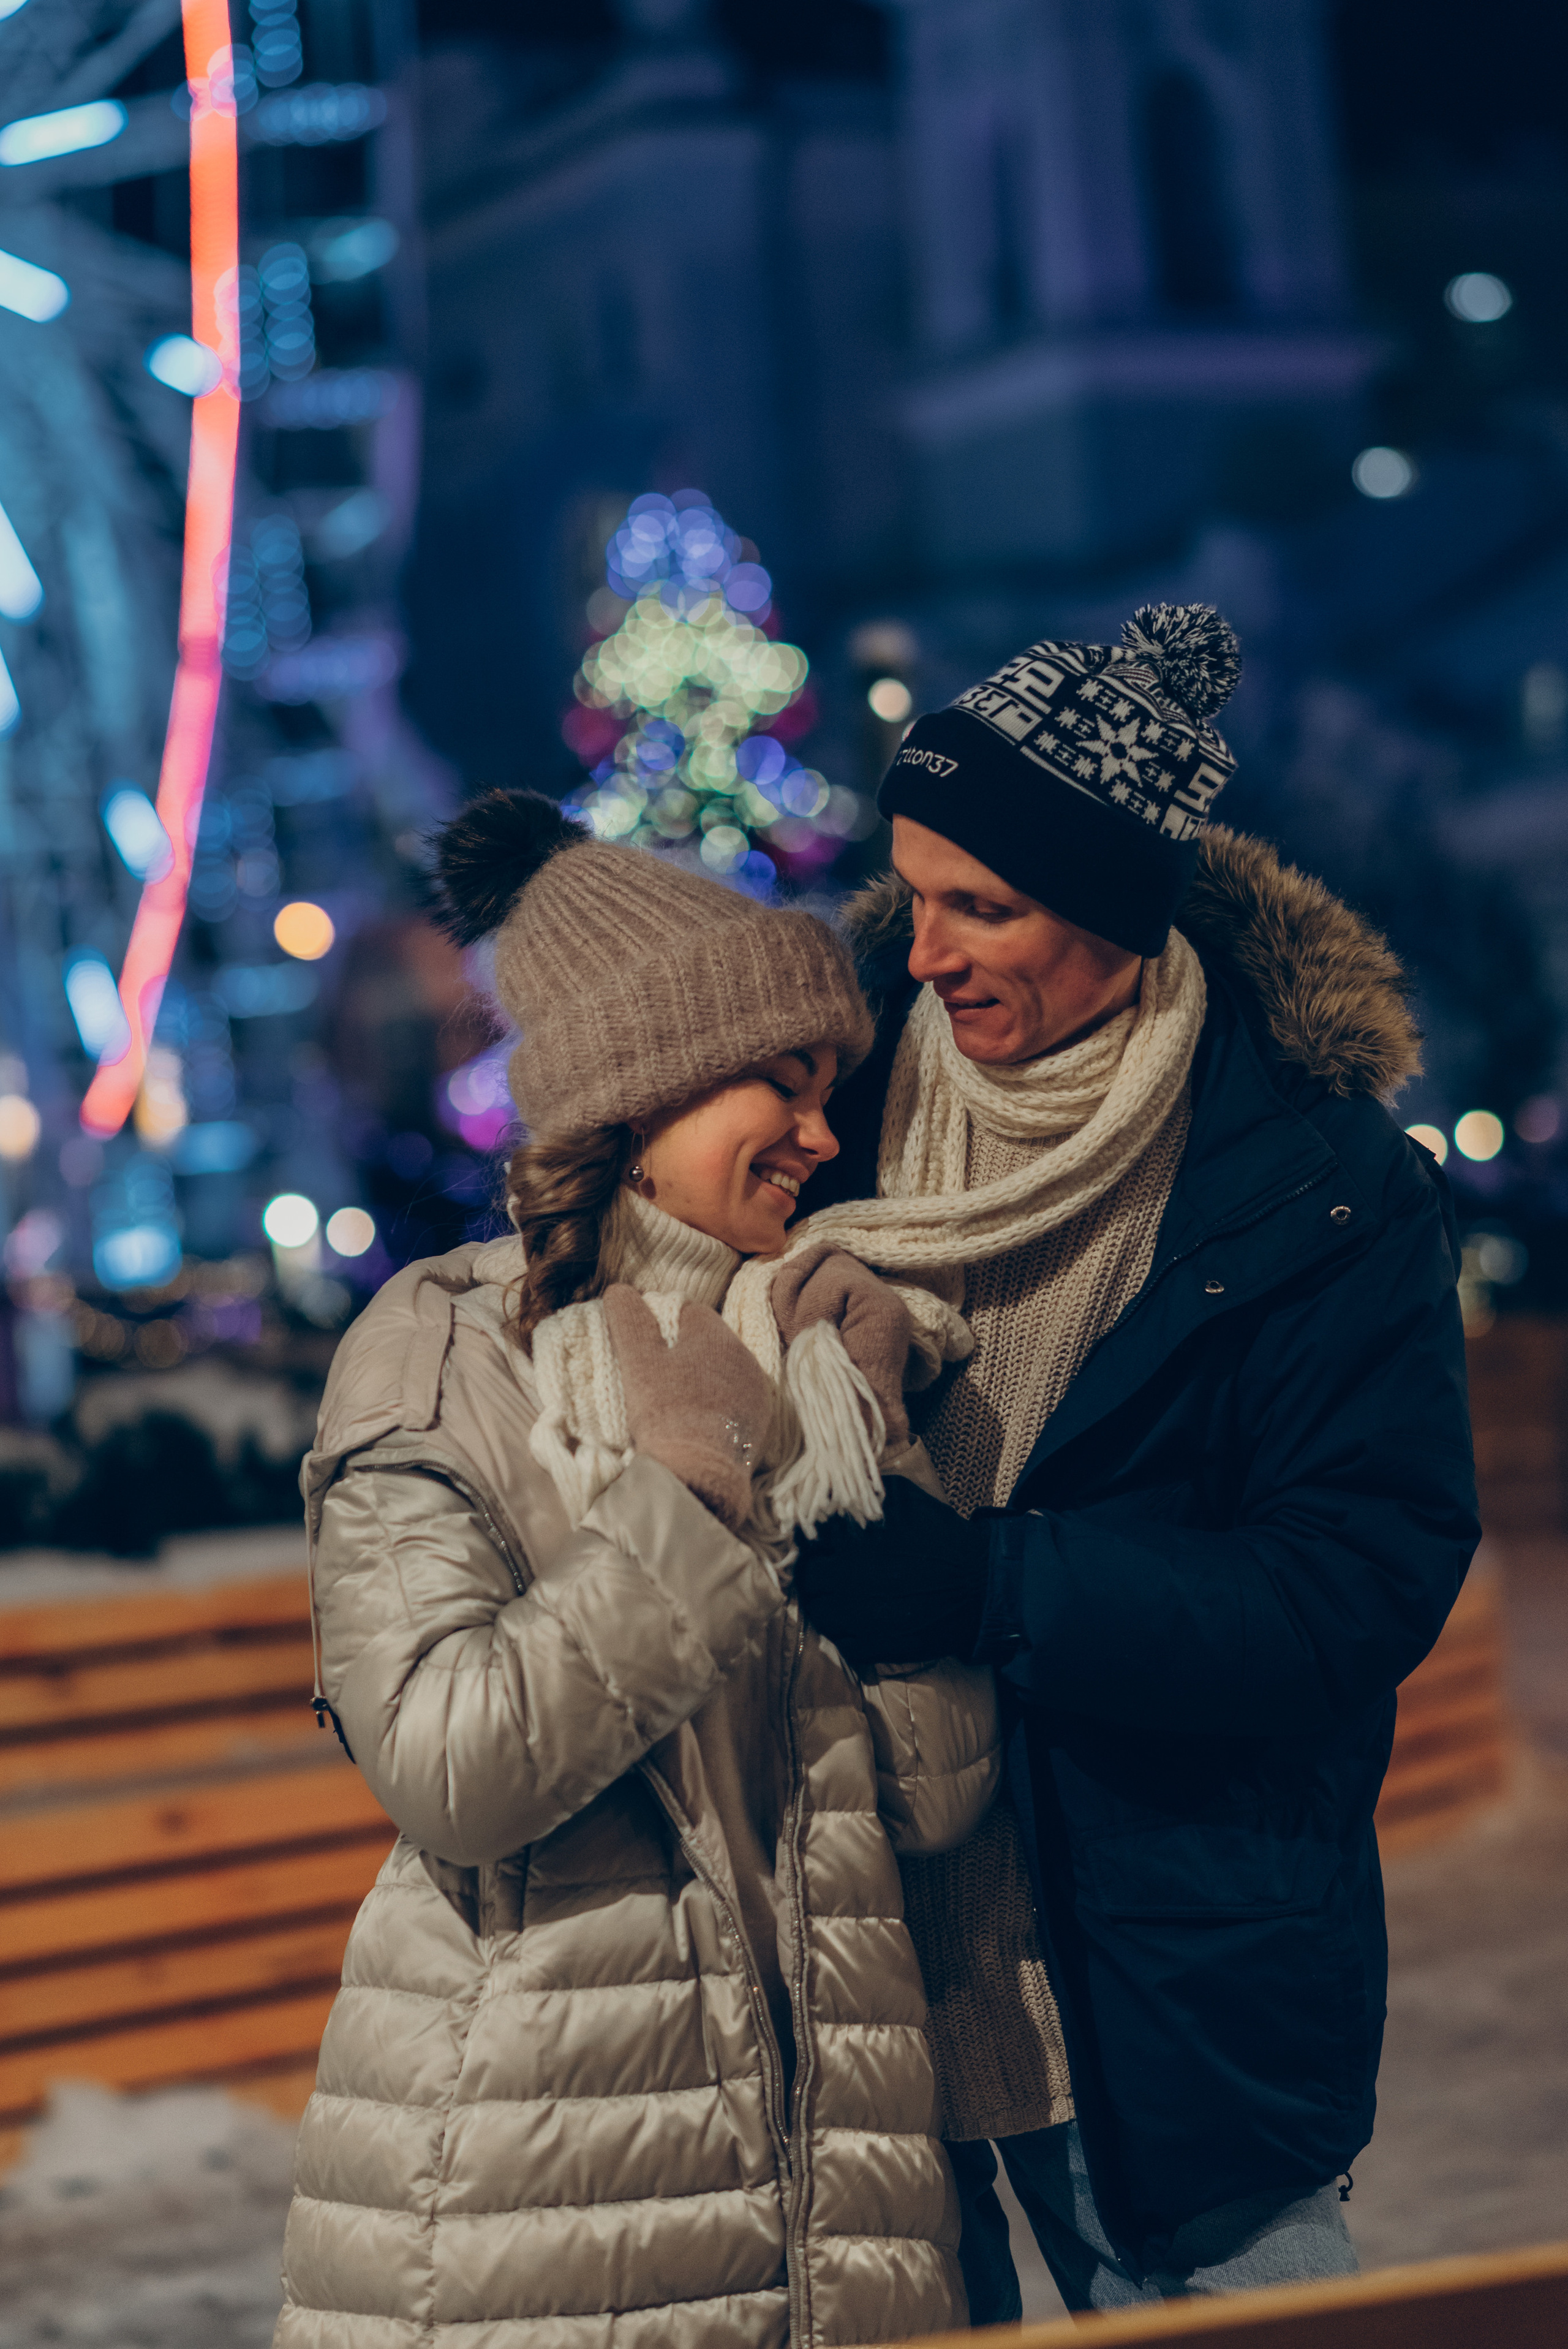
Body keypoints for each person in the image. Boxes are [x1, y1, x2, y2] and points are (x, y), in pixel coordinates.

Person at [771, 604, 1481, 2317]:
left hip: (1177, 1971)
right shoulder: (835, 1116)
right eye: (917, 889)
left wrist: (990, 1583)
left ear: (1118, 910)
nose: (925, 949)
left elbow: (1353, 1582)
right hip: (872, 1956)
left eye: (985, 905)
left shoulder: (1318, 1185)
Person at [272, 795, 999, 2348]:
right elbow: (452, 1769)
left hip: (833, 2190)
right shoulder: (446, 1349)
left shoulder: (812, 1342)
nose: (819, 1133)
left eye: (828, 1089)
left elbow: (930, 1799)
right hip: (539, 2202)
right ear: (640, 1088)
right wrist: (681, 1493)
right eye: (778, 1085)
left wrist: (869, 1460)